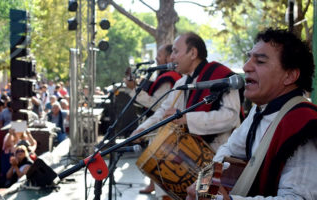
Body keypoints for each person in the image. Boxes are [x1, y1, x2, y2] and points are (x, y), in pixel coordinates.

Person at [187, 28, 317, 199]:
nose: (246, 66)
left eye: (260, 61)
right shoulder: (261, 109)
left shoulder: (303, 124)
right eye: (249, 58)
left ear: (290, 75)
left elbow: (297, 197)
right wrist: (205, 183)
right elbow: (229, 149)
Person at [130, 32, 241, 200]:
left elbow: (230, 117)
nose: (171, 57)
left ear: (193, 53)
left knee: (208, 198)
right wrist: (142, 129)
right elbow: (163, 111)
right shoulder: (182, 82)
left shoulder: (222, 76)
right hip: (187, 158)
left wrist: (187, 119)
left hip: (217, 159)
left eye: (175, 51)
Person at [125, 44, 182, 196]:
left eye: (159, 54)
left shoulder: (169, 78)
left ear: (169, 57)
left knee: (157, 162)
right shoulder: (168, 77)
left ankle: (159, 191)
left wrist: (133, 90)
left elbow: (156, 105)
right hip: (158, 125)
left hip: (162, 128)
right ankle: (153, 186)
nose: (156, 58)